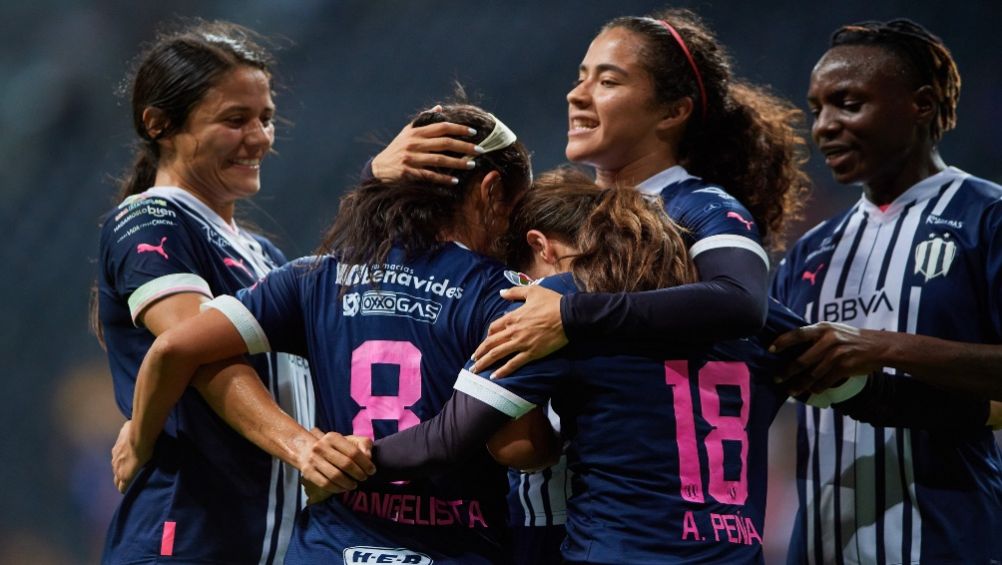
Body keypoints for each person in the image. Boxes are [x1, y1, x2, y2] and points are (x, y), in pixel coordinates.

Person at [362, 170, 998, 564]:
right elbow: (884, 401)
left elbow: (445, 442)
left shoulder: (557, 316)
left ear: (543, 248)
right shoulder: (759, 325)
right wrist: (985, 410)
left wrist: (340, 459)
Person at [367, 9, 811, 561]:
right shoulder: (564, 213)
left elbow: (742, 303)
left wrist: (569, 313)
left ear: (673, 111)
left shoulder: (697, 212)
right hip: (560, 520)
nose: (577, 95)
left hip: (611, 526)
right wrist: (377, 180)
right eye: (581, 77)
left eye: (608, 80)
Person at [112, 103, 534, 564]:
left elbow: (174, 347)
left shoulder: (315, 277)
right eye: (520, 209)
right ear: (492, 191)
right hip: (452, 549)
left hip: (328, 549)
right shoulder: (504, 295)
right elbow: (521, 447)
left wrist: (139, 442)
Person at [94, 20, 337, 564]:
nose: (260, 137)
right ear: (159, 124)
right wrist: (302, 446)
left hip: (260, 542)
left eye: (265, 118)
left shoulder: (264, 254)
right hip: (183, 537)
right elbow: (193, 347)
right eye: (235, 120)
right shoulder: (150, 221)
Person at [768, 19, 1002, 564]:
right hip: (820, 546)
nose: (824, 126)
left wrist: (882, 347)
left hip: (951, 542)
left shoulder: (986, 218)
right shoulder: (810, 252)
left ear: (921, 105)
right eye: (817, 110)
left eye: (848, 104)